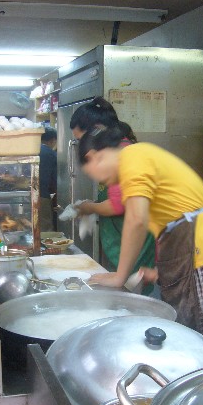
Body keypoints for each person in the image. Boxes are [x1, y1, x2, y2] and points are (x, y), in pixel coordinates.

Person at [78, 125, 203, 359]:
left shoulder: (132, 158)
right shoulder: (143, 157)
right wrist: (160, 273)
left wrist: (120, 276)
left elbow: (137, 220)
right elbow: (176, 221)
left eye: (91, 173)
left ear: (93, 157)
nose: (105, 185)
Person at [69, 97, 156, 285]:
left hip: (138, 244)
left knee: (138, 294)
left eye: (81, 140)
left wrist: (89, 207)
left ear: (96, 131)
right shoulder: (121, 153)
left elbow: (123, 208)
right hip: (124, 239)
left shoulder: (126, 155)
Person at [39, 127, 57, 231]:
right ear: (53, 140)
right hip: (43, 195)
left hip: (27, 194)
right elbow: (56, 179)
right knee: (45, 228)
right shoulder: (51, 154)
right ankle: (46, 247)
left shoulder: (33, 150)